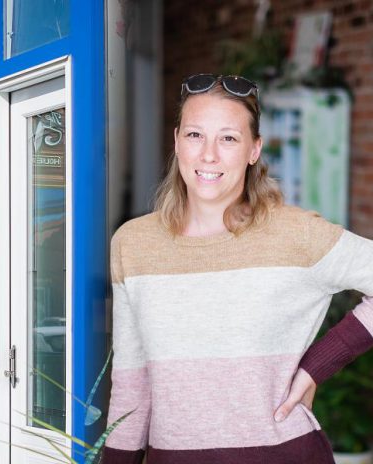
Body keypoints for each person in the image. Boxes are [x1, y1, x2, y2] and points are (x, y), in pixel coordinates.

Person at [101, 74, 373, 464]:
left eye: (228, 138)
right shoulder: (134, 244)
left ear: (253, 149)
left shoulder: (297, 235)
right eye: (195, 135)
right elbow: (131, 386)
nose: (208, 154)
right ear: (177, 141)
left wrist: (316, 366)